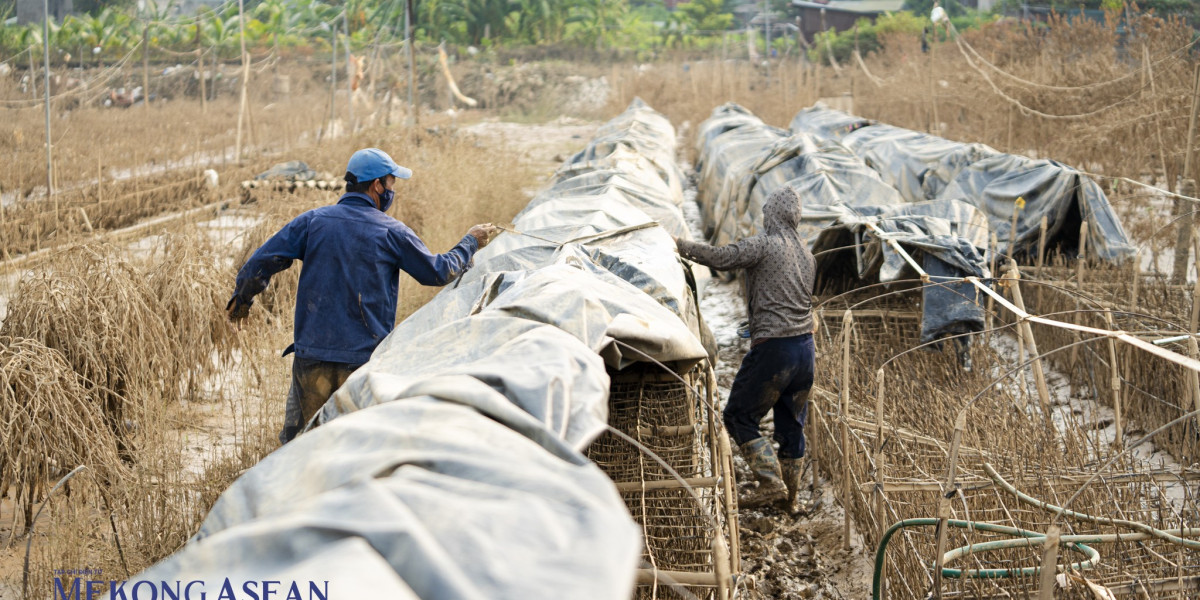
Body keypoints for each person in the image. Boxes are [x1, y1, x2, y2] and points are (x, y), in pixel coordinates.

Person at [227, 148, 499, 444]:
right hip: (363, 362)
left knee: (301, 446)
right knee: (358, 445)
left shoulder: (313, 222)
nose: (393, 191)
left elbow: (259, 263)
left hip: (312, 358)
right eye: (392, 184)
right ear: (376, 186)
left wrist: (242, 300)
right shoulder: (391, 231)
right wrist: (470, 243)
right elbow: (437, 272)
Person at [675, 186, 816, 513]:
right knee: (791, 426)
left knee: (738, 415)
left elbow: (723, 258)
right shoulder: (808, 256)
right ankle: (790, 502)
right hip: (805, 351)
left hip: (775, 351)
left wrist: (681, 246)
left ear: (773, 214)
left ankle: (771, 483)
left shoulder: (765, 245)